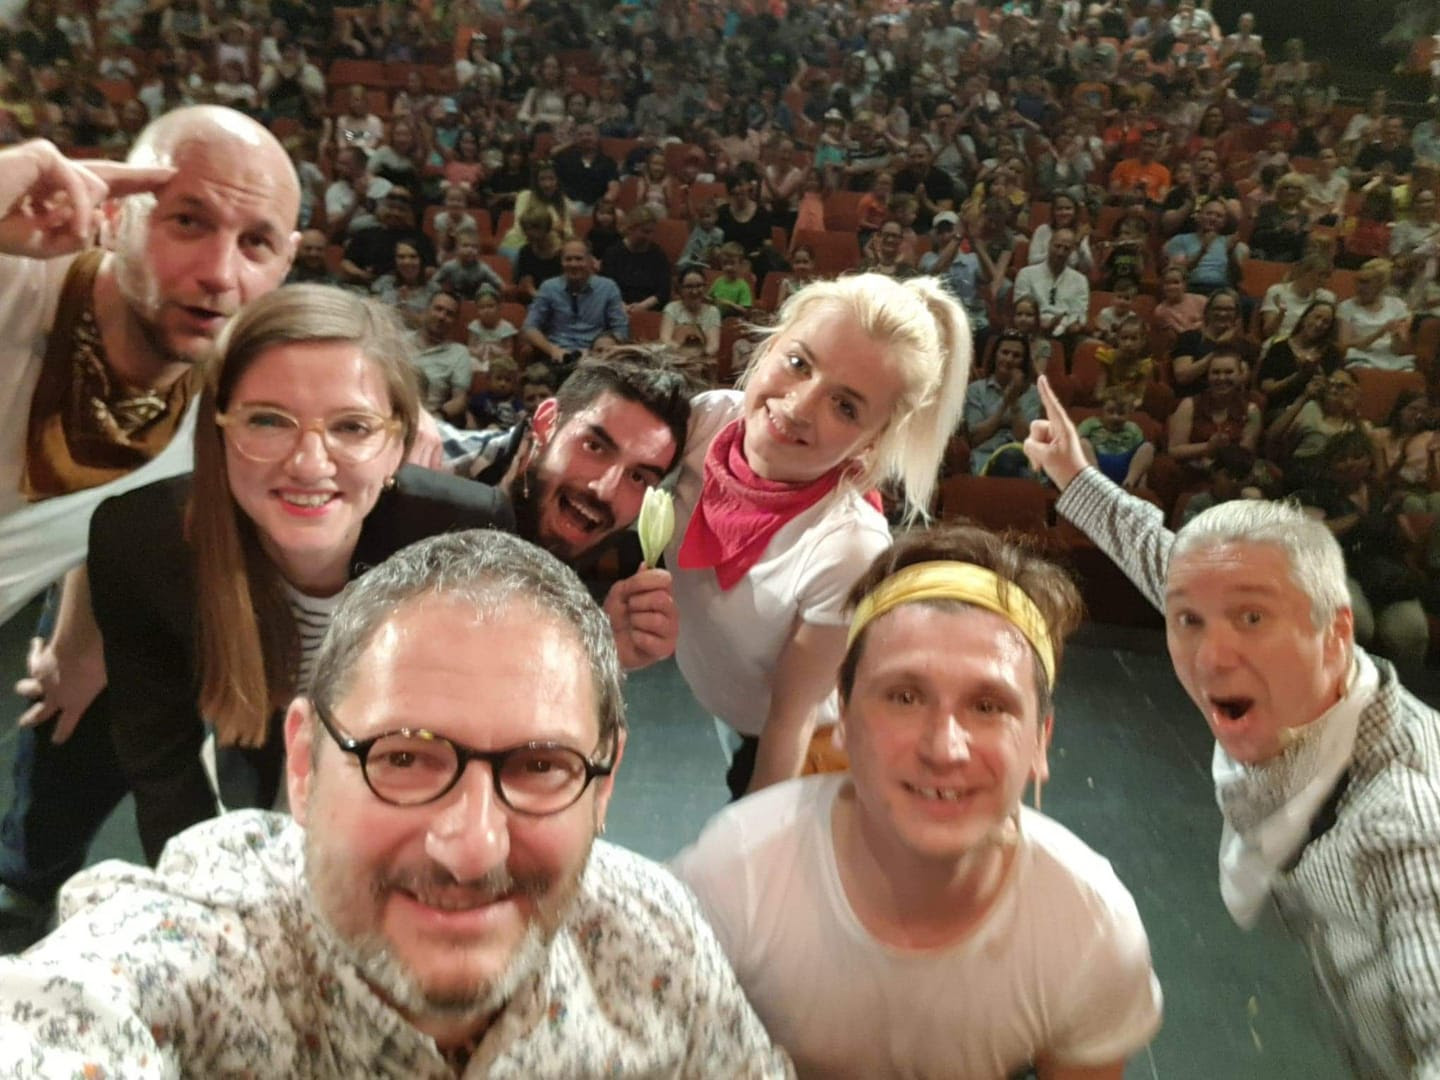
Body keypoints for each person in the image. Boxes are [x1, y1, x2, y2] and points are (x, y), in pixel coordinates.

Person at [0, 529, 794, 1076]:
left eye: (541, 766)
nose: (473, 849)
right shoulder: (201, 952)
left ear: (604, 783)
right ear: (305, 765)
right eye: (404, 758)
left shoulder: (654, 938)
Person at [1024, 377, 1440, 1079]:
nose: (1211, 656)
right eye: (1189, 620)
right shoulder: (1321, 678)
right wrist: (1074, 473)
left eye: (1251, 618)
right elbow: (1170, 562)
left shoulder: (1410, 822)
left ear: (1336, 632)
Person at [673, 523, 1163, 1077]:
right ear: (843, 717)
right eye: (904, 697)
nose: (944, 747)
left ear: (1038, 742)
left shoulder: (1089, 925)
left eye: (988, 706)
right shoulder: (731, 878)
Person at [0, 107, 302, 949]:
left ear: (287, 262)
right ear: (113, 213)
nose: (219, 273)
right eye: (187, 222)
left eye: (256, 243)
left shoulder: (237, 385)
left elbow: (119, 518)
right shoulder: (17, 278)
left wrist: (80, 639)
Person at [89, 285, 512, 865]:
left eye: (353, 427)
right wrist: (209, 890)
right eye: (268, 420)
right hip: (254, 731)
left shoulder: (465, 531)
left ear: (397, 445)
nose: (310, 464)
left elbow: (478, 728)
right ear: (218, 432)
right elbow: (164, 766)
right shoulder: (142, 541)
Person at [665, 274, 969, 798]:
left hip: (813, 751)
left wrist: (757, 838)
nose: (800, 406)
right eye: (798, 363)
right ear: (768, 346)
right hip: (737, 711)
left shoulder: (849, 550)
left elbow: (792, 721)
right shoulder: (706, 421)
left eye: (845, 406)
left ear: (873, 440)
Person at [521, 239, 628, 367]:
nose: (573, 264)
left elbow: (620, 330)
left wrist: (603, 346)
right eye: (568, 259)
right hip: (558, 357)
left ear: (590, 260)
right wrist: (552, 350)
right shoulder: (548, 288)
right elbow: (530, 327)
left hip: (595, 359)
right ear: (561, 262)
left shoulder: (608, 287)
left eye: (579, 259)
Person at [965, 329, 1041, 475]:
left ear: (1023, 362)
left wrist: (1014, 402)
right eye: (1005, 353)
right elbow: (976, 439)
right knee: (1007, 464)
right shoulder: (976, 390)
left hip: (1022, 458)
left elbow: (1025, 439)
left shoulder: (1033, 393)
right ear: (995, 355)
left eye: (1016, 356)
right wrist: (1005, 403)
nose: (1009, 359)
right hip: (987, 459)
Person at [1013, 227, 1089, 340]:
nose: (1060, 252)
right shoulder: (1026, 273)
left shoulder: (1080, 280)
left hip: (1066, 333)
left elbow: (1079, 313)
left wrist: (1065, 324)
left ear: (1072, 251)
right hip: (1033, 328)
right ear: (1049, 245)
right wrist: (1042, 322)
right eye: (1057, 246)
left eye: (1066, 248)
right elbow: (1021, 308)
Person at [408, 291, 472, 423]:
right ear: (426, 310)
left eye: (449, 314)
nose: (442, 316)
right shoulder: (398, 340)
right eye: (438, 309)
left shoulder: (459, 353)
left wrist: (439, 415)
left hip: (428, 419)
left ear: (455, 322)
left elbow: (460, 399)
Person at [600, 206, 672, 315]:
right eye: (645, 232)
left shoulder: (658, 254)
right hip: (617, 309)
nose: (649, 237)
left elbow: (664, 291)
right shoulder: (613, 254)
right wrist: (622, 306)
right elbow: (606, 287)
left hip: (649, 311)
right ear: (630, 229)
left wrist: (643, 306)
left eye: (651, 232)